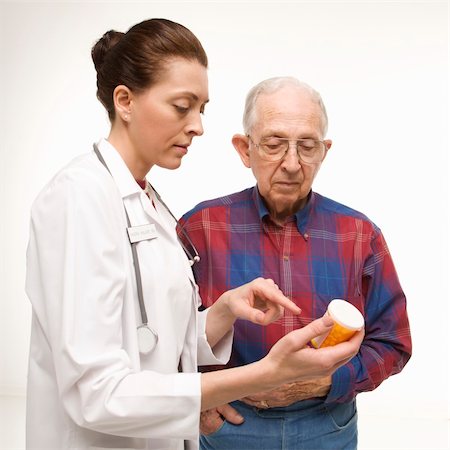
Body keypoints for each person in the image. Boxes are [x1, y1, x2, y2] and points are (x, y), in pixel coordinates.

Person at [25, 21, 364, 450]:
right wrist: (267, 374)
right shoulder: (78, 199)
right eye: (182, 106)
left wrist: (222, 311)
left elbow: (152, 341)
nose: (198, 126)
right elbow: (98, 393)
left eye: (201, 108)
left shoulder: (147, 202)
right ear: (125, 101)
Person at [179, 76, 412, 450]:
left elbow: (393, 342)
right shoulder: (200, 228)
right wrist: (202, 403)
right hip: (231, 426)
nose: (291, 163)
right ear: (244, 149)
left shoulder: (359, 234)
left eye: (307, 146)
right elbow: (166, 339)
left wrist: (324, 382)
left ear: (324, 151)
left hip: (327, 423)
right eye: (273, 144)